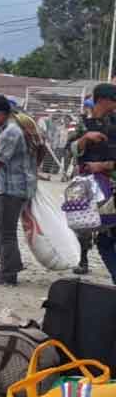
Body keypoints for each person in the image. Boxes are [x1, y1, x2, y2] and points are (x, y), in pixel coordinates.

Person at [0, 95, 37, 286]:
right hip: (14, 185)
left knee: (6, 231)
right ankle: (11, 264)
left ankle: (8, 273)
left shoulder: (10, 132)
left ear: (0, 114)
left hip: (13, 188)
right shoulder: (13, 126)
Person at [69, 83, 116, 283]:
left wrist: (103, 165)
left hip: (110, 185)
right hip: (86, 186)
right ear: (102, 100)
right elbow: (69, 149)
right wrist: (84, 139)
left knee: (108, 234)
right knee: (83, 225)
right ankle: (83, 259)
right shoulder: (82, 124)